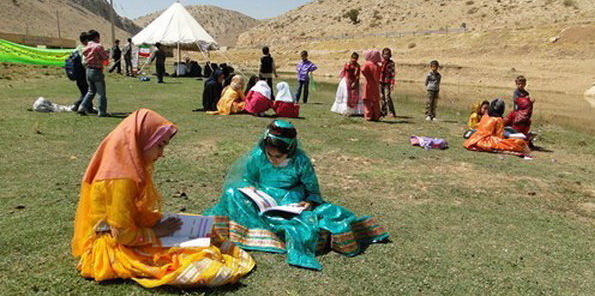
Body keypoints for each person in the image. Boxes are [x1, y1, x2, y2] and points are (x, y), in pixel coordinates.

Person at [71, 109, 254, 287]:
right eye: (160, 145)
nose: (161, 153)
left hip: (126, 233)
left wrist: (158, 224)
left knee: (198, 230)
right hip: (112, 247)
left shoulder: (121, 165)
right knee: (197, 256)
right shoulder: (121, 179)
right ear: (142, 140)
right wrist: (157, 232)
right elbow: (123, 234)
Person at [203, 120, 389, 270]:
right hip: (261, 195)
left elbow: (313, 190)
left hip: (289, 197)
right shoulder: (258, 155)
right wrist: (250, 189)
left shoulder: (300, 161)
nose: (272, 160)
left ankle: (273, 229)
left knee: (302, 219)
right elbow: (247, 178)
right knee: (231, 193)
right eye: (269, 155)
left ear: (289, 150)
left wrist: (308, 202)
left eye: (278, 157)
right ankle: (251, 231)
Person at [463, 98, 530, 156]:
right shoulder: (498, 119)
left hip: (475, 139)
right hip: (487, 142)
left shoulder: (485, 116)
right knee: (518, 142)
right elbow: (499, 137)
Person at [77, 30, 110, 117]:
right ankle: (102, 111)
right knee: (101, 92)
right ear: (96, 37)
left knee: (91, 91)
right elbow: (105, 57)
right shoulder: (98, 46)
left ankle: (82, 107)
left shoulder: (86, 46)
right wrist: (107, 53)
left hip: (88, 70)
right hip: (97, 70)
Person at [331, 52, 363, 116]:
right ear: (350, 58)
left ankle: (353, 111)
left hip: (354, 81)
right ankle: (344, 110)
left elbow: (357, 76)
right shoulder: (347, 64)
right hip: (346, 81)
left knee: (353, 95)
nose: (354, 60)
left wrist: (355, 82)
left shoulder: (357, 66)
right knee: (346, 95)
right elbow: (344, 71)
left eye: (356, 58)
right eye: (353, 58)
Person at [71, 32, 92, 113]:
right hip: (82, 74)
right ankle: (76, 105)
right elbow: (84, 62)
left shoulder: (77, 48)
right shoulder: (83, 49)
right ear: (86, 40)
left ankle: (89, 108)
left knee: (85, 91)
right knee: (88, 92)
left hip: (77, 74)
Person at [361, 49, 383, 121]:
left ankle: (368, 116)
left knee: (367, 100)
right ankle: (376, 115)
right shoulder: (378, 66)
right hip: (375, 84)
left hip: (368, 83)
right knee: (375, 100)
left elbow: (363, 70)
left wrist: (367, 76)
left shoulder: (367, 64)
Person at [380, 48, 397, 117]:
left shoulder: (391, 63)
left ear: (390, 55)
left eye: (387, 54)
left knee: (387, 97)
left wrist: (392, 83)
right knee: (381, 97)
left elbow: (392, 74)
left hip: (387, 82)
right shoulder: (380, 62)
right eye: (384, 54)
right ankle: (383, 111)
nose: (385, 56)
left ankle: (391, 111)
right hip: (380, 82)